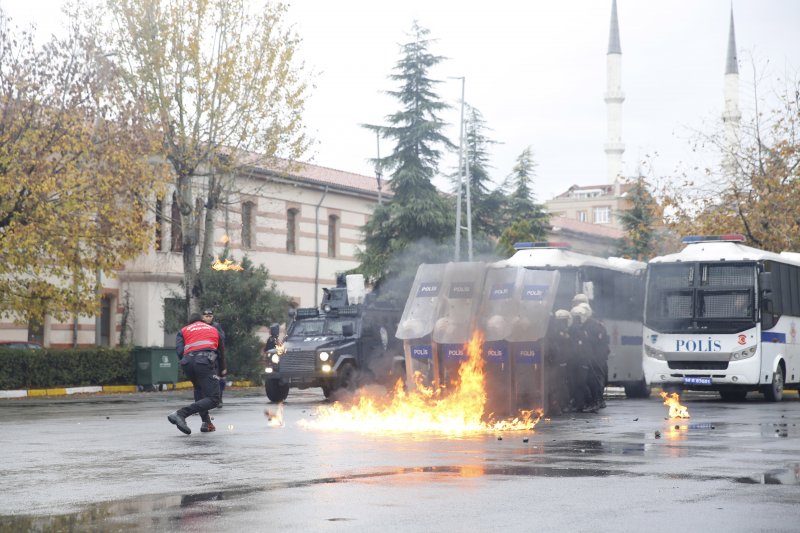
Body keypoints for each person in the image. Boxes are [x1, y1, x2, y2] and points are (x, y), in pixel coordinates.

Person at [168, 314, 226, 435]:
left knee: (199, 389)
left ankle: (206, 422)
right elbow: (220, 351)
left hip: (187, 363)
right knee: (214, 399)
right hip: (204, 361)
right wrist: (221, 370)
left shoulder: (184, 330)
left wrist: (188, 361)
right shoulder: (213, 329)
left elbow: (179, 351)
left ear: (190, 323)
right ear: (202, 321)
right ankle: (180, 414)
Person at [579, 302, 610, 410]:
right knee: (589, 380)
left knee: (594, 380)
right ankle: (596, 401)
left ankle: (597, 401)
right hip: (591, 357)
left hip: (596, 358)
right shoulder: (586, 325)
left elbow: (597, 341)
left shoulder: (594, 325)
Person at [201, 309, 227, 408]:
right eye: (206, 316)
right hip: (203, 355)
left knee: (219, 378)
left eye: (210, 316)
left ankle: (219, 399)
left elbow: (222, 338)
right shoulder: (200, 326)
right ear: (203, 317)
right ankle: (205, 400)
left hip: (216, 355)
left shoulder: (216, 326)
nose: (208, 318)